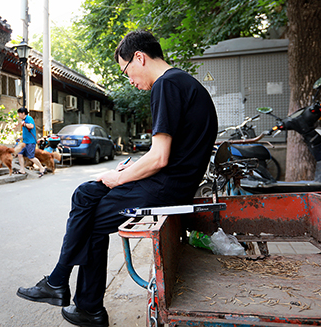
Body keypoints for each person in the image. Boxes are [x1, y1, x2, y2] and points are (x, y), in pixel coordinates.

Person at [16, 30, 218, 327]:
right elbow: (166, 154)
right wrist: (126, 169)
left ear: (140, 57)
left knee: (90, 224)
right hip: (170, 181)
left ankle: (78, 298)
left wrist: (117, 179)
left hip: (166, 189)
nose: (131, 81)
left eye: (127, 72)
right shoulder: (182, 83)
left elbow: (160, 157)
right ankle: (66, 288)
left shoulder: (167, 85)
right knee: (84, 194)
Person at [14, 107, 46, 177]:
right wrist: (20, 137)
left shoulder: (29, 118)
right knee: (19, 154)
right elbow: (26, 132)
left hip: (30, 142)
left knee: (31, 157)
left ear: (23, 113)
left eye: (19, 114)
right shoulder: (24, 120)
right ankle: (22, 170)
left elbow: (31, 126)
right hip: (25, 141)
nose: (18, 115)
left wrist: (24, 124)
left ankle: (41, 168)